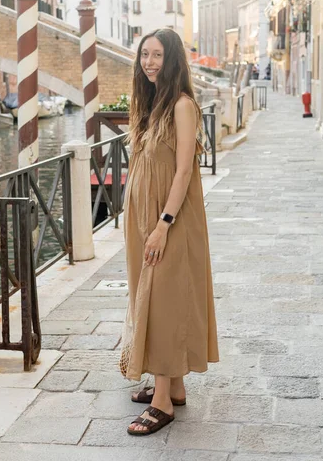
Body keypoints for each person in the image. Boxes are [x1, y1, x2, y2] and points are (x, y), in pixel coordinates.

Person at [120, 28, 219, 436]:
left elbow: (182, 171)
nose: (149, 62)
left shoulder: (181, 105)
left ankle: (162, 404)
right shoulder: (151, 104)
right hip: (144, 219)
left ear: (173, 59)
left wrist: (163, 224)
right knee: (150, 293)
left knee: (162, 300)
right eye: (144, 54)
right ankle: (173, 385)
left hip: (169, 220)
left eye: (157, 55)